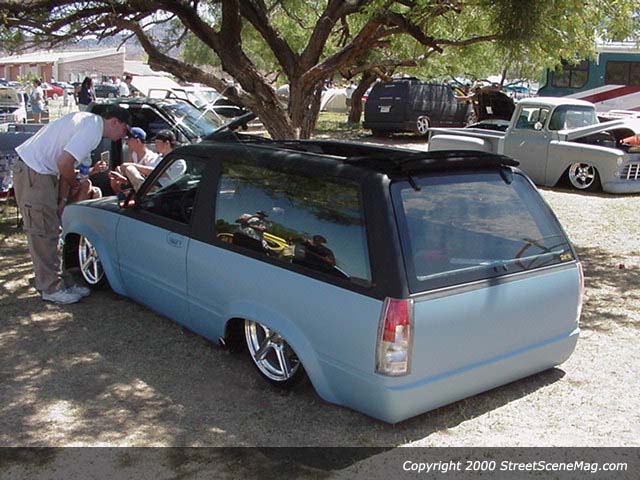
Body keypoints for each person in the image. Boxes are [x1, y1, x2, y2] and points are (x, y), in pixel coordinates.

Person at [12, 107, 132, 304]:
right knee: (43, 232)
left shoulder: (89, 125)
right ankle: (50, 288)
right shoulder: (92, 129)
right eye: (125, 130)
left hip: (45, 173)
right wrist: (75, 185)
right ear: (114, 122)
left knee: (54, 229)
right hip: (34, 173)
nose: (124, 135)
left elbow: (67, 167)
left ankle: (61, 281)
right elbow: (64, 164)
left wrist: (62, 200)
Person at [108, 127, 158, 192]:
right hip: (135, 190)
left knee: (130, 168)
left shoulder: (151, 157)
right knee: (114, 180)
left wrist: (133, 165)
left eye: (129, 140)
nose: (127, 143)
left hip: (149, 190)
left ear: (138, 141)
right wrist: (120, 176)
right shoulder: (133, 155)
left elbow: (155, 173)